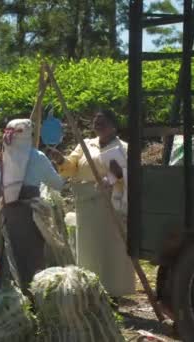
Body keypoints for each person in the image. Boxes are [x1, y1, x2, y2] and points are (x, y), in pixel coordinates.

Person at [50, 109, 136, 301]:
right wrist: (60, 160)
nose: (98, 125)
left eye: (103, 122)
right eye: (96, 122)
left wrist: (114, 176)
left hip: (108, 204)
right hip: (86, 204)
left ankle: (112, 290)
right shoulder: (86, 145)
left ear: (114, 126)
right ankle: (91, 288)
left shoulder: (123, 148)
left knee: (109, 246)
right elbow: (72, 167)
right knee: (88, 246)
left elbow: (130, 176)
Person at [0, 118, 65, 294]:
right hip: (32, 217)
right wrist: (61, 166)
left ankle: (11, 294)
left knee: (9, 255)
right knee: (32, 255)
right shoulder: (37, 157)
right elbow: (58, 184)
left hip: (8, 215)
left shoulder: (1, 160)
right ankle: (34, 295)